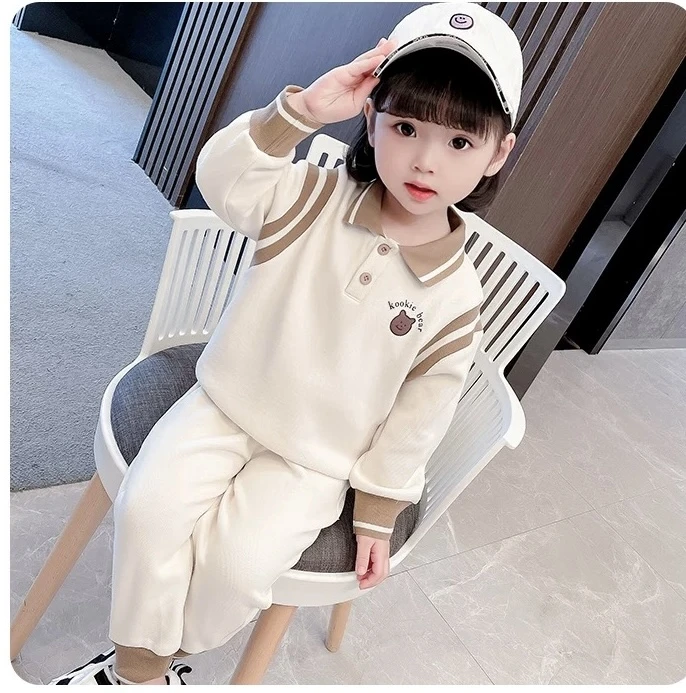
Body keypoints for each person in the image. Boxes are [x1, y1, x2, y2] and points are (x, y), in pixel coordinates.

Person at [49, 2, 522, 685]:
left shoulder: (457, 294)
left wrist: (377, 512)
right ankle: (139, 670)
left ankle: (163, 657)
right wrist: (301, 113)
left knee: (237, 566)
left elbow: (420, 415)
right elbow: (222, 179)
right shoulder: (312, 197)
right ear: (371, 118)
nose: (425, 161)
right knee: (148, 508)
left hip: (317, 460)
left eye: (459, 142)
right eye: (406, 127)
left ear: (498, 152)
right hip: (223, 404)